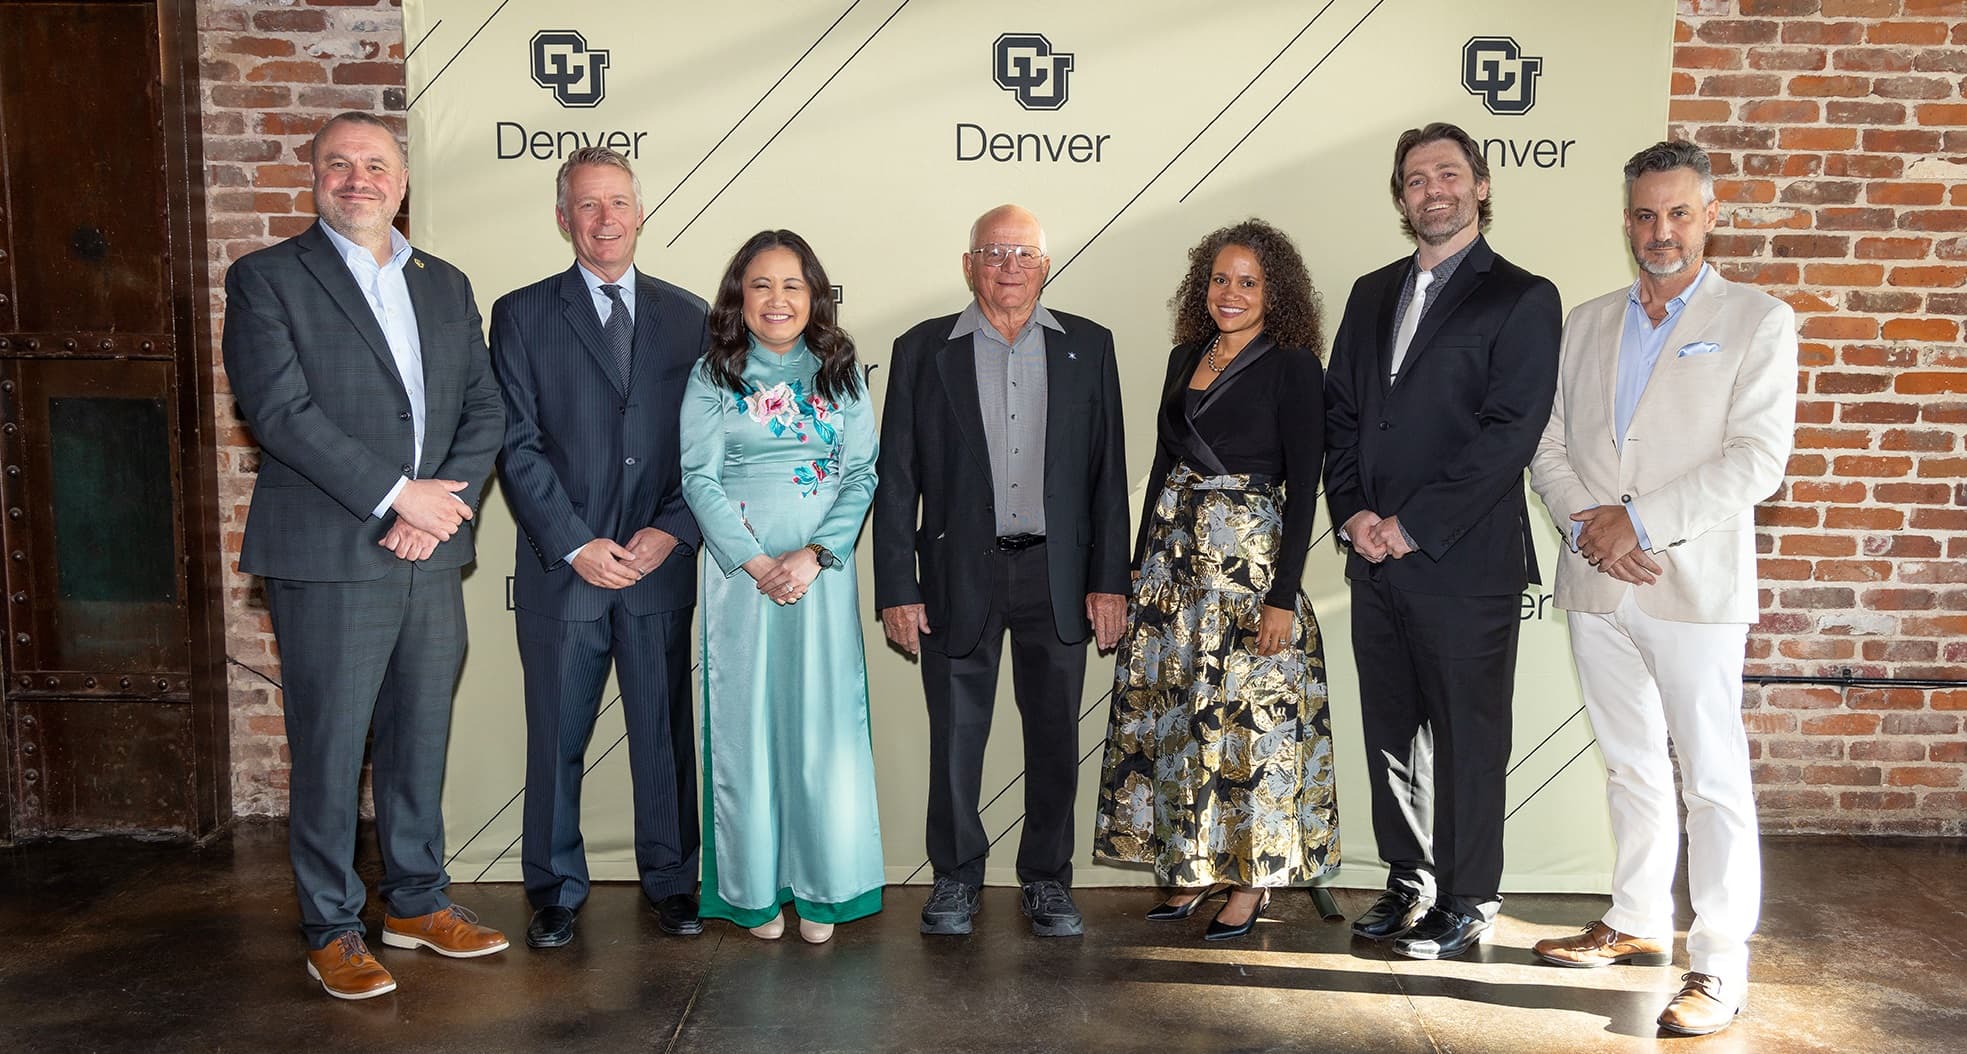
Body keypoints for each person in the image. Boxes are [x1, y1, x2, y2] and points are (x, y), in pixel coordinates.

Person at [221, 111, 508, 999]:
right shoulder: (267, 278)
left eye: (375, 164)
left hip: (429, 547)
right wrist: (398, 493)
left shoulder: (445, 282)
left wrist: (438, 506)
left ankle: (416, 902)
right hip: (330, 551)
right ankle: (331, 925)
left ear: (403, 180)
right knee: (333, 746)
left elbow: (485, 410)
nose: (359, 180)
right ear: (313, 177)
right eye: (339, 165)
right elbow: (280, 414)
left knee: (421, 735)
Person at [1527, 140, 1797, 1037]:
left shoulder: (1758, 318)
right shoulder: (1587, 321)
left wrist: (1635, 523)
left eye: (1678, 212)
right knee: (1630, 765)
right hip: (1600, 580)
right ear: (1626, 219)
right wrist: (1588, 526)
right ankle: (1636, 919)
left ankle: (1718, 966)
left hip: (1690, 583)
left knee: (1712, 780)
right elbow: (1549, 444)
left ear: (1710, 215)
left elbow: (1756, 462)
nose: (1660, 231)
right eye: (1645, 214)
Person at [1323, 122, 1561, 960]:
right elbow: (1342, 418)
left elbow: (1508, 435)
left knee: (1467, 734)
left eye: (1449, 174)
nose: (1434, 190)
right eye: (1417, 178)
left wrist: (1410, 526)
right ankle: (1408, 878)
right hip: (1372, 559)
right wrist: (1352, 514)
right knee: (1389, 731)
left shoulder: (1522, 297)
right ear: (1400, 197)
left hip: (1462, 564)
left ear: (1481, 185)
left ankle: (1467, 895)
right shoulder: (1367, 293)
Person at [872, 204, 1129, 938]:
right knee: (954, 737)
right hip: (956, 575)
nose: (1008, 265)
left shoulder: (1089, 345)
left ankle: (1046, 880)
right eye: (992, 251)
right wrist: (897, 586)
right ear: (968, 265)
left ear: (1044, 267)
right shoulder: (921, 350)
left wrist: (1109, 579)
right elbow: (897, 479)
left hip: (1057, 575)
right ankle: (954, 877)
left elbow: (1107, 476)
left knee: (1053, 740)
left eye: (1023, 253)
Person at [1094, 219, 1339, 941]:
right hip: (1173, 571)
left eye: (1248, 282)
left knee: (1245, 728)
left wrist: (1282, 597)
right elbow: (1165, 468)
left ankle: (1250, 883)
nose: (1229, 294)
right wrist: (1139, 559)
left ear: (1276, 293)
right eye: (1219, 279)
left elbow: (1304, 485)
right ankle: (1192, 868)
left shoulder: (1293, 366)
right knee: (1178, 719)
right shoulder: (1183, 356)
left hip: (1247, 569)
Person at [488, 146, 708, 950]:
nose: (604, 219)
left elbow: (710, 449)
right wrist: (576, 543)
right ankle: (551, 889)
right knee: (555, 738)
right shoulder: (520, 313)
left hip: (658, 569)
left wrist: (671, 528)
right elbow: (514, 444)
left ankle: (675, 882)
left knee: (662, 735)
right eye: (587, 205)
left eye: (617, 202)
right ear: (561, 219)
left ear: (641, 213)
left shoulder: (691, 317)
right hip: (564, 571)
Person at [678, 230, 883, 945]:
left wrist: (816, 554)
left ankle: (823, 889)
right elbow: (697, 479)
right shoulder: (713, 374)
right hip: (742, 580)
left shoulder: (841, 370)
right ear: (740, 296)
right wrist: (759, 563)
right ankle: (753, 888)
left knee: (823, 728)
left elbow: (862, 474)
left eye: (791, 285)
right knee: (748, 729)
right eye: (760, 285)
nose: (776, 299)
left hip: (820, 576)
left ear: (814, 295)